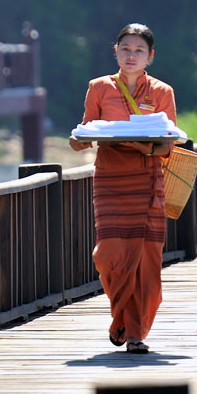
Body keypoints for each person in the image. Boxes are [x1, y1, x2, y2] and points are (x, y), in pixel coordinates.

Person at [69, 23, 176, 354]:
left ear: (150, 56)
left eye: (139, 51)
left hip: (147, 181)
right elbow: (85, 132)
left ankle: (134, 332)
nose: (132, 56)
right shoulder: (99, 88)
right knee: (110, 255)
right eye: (126, 49)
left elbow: (168, 145)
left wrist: (141, 146)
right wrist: (78, 140)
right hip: (111, 179)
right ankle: (122, 318)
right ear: (115, 51)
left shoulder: (161, 92)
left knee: (145, 260)